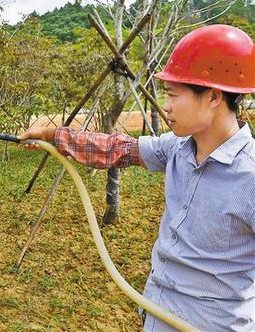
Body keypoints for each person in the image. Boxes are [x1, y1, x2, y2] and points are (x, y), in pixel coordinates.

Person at [18, 24, 255, 331]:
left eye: (172, 95)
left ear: (213, 97)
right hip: (157, 311)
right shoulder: (178, 148)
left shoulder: (249, 177)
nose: (166, 106)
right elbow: (119, 149)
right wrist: (52, 135)